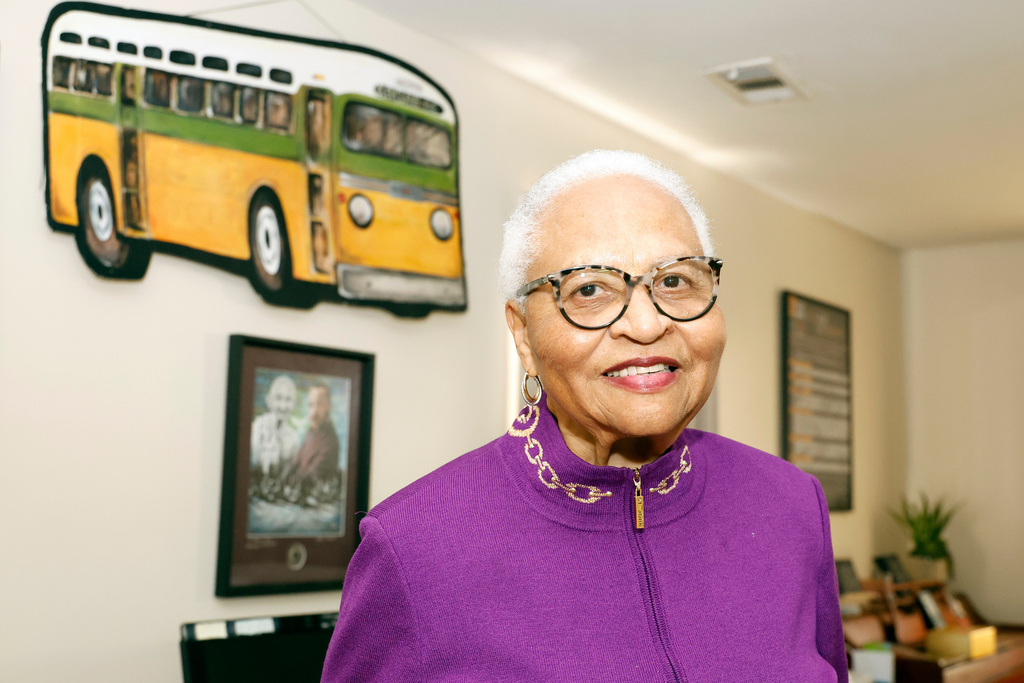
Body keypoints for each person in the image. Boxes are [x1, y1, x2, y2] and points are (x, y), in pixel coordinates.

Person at [321, 150, 848, 682]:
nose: (645, 325)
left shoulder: (790, 505)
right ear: (523, 334)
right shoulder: (416, 546)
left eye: (674, 282)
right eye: (590, 289)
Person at [283, 384, 341, 507]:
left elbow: (313, 476)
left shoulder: (330, 441)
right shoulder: (312, 432)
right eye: (311, 405)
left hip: (314, 501)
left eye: (319, 404)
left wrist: (290, 483)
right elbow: (297, 462)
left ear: (328, 407)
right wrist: (284, 477)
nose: (314, 411)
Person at [250, 374, 299, 500]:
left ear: (294, 404)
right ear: (269, 401)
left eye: (288, 399)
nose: (283, 406)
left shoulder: (293, 438)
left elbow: (292, 475)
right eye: (278, 398)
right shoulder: (257, 427)